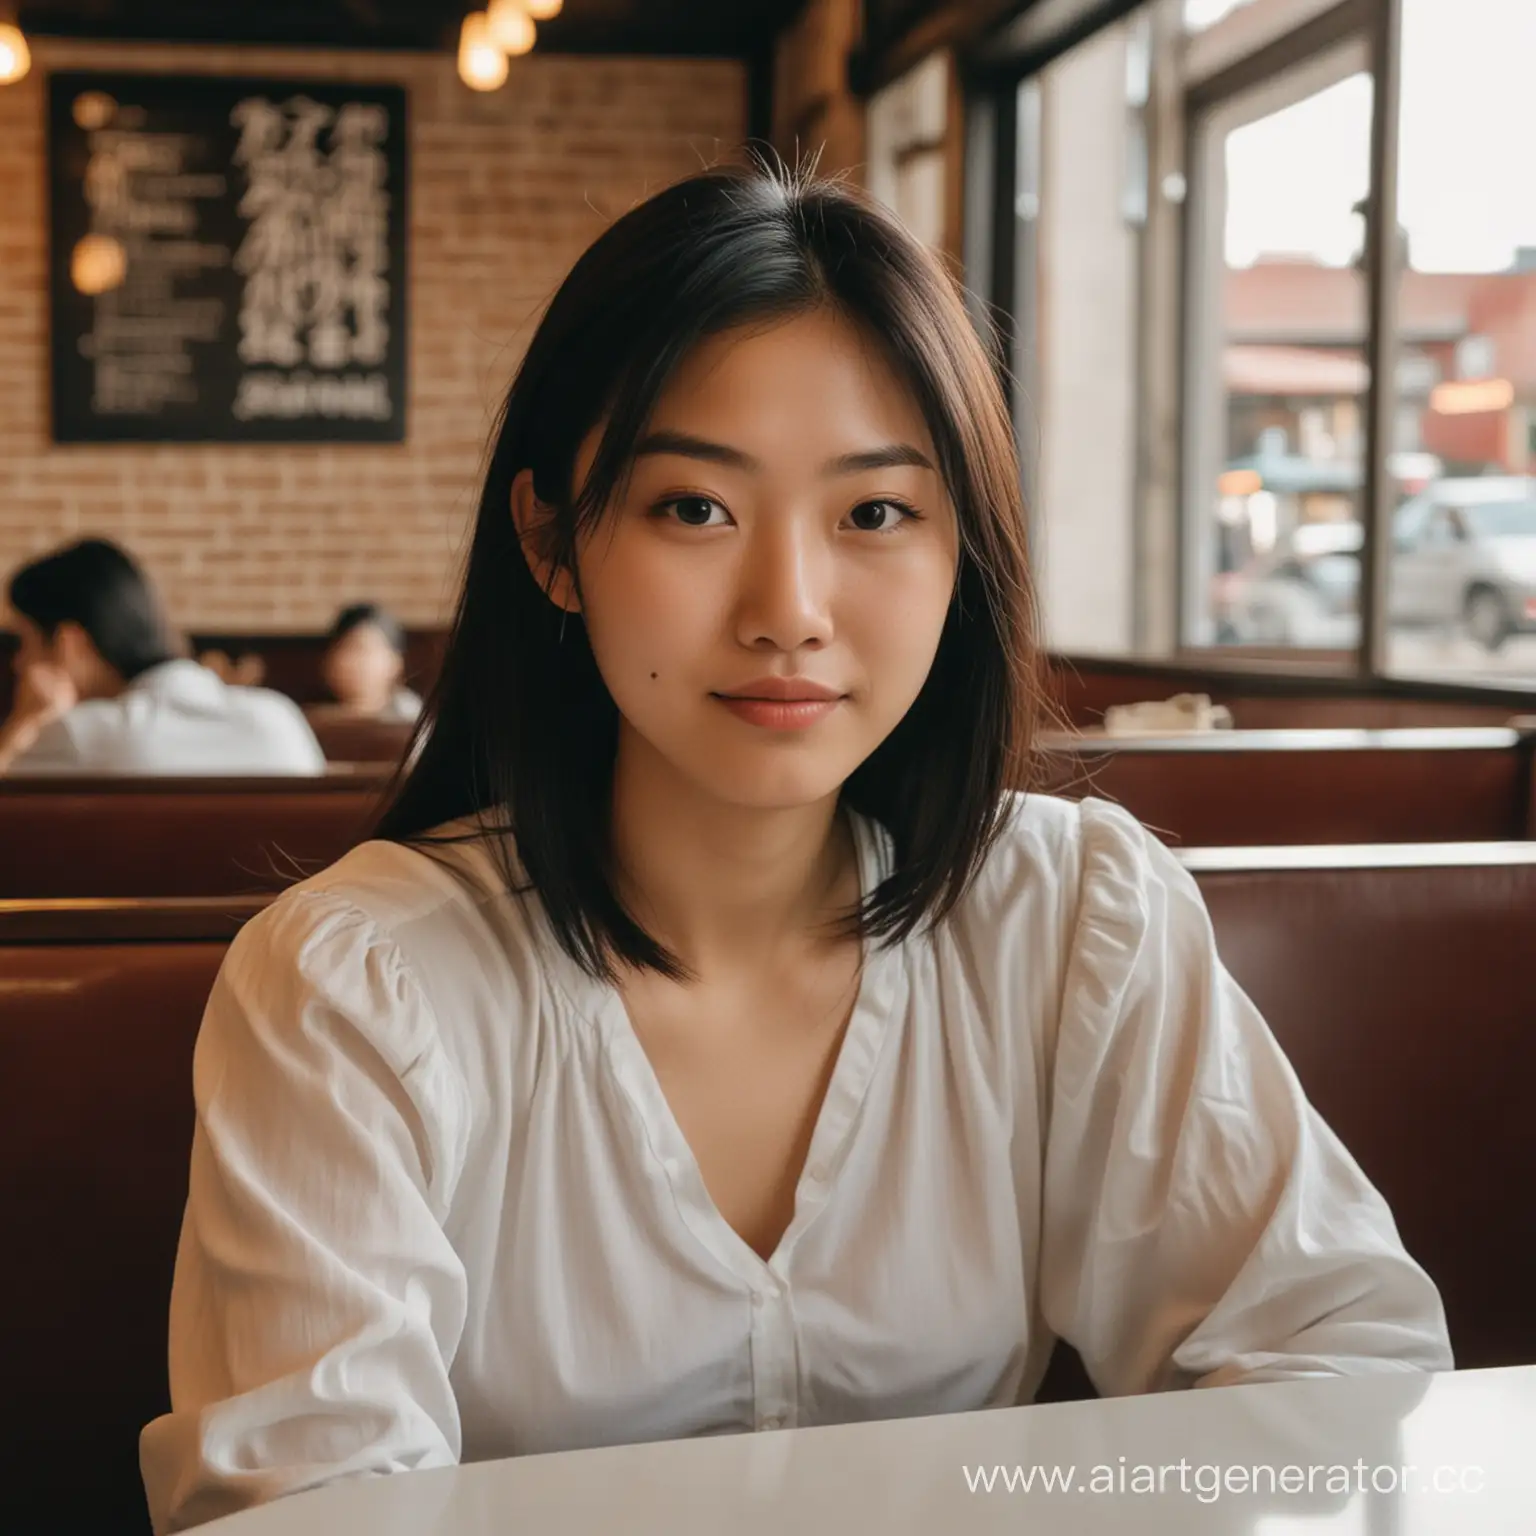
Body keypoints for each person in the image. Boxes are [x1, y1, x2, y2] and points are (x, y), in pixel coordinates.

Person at [139, 162, 1450, 1533]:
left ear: (965, 554)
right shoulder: (360, 987)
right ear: (553, 544)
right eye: (693, 508)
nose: (790, 610)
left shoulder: (1071, 921)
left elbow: (1335, 1367)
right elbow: (307, 1513)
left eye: (875, 512)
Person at [1, 539, 324, 776]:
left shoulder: (78, 735)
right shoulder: (279, 718)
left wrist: (24, 723)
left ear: (69, 643)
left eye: (26, 643)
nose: (18, 663)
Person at [315, 602, 423, 723]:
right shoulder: (307, 721)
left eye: (363, 649)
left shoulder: (412, 717)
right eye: (347, 648)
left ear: (396, 663)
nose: (355, 662)